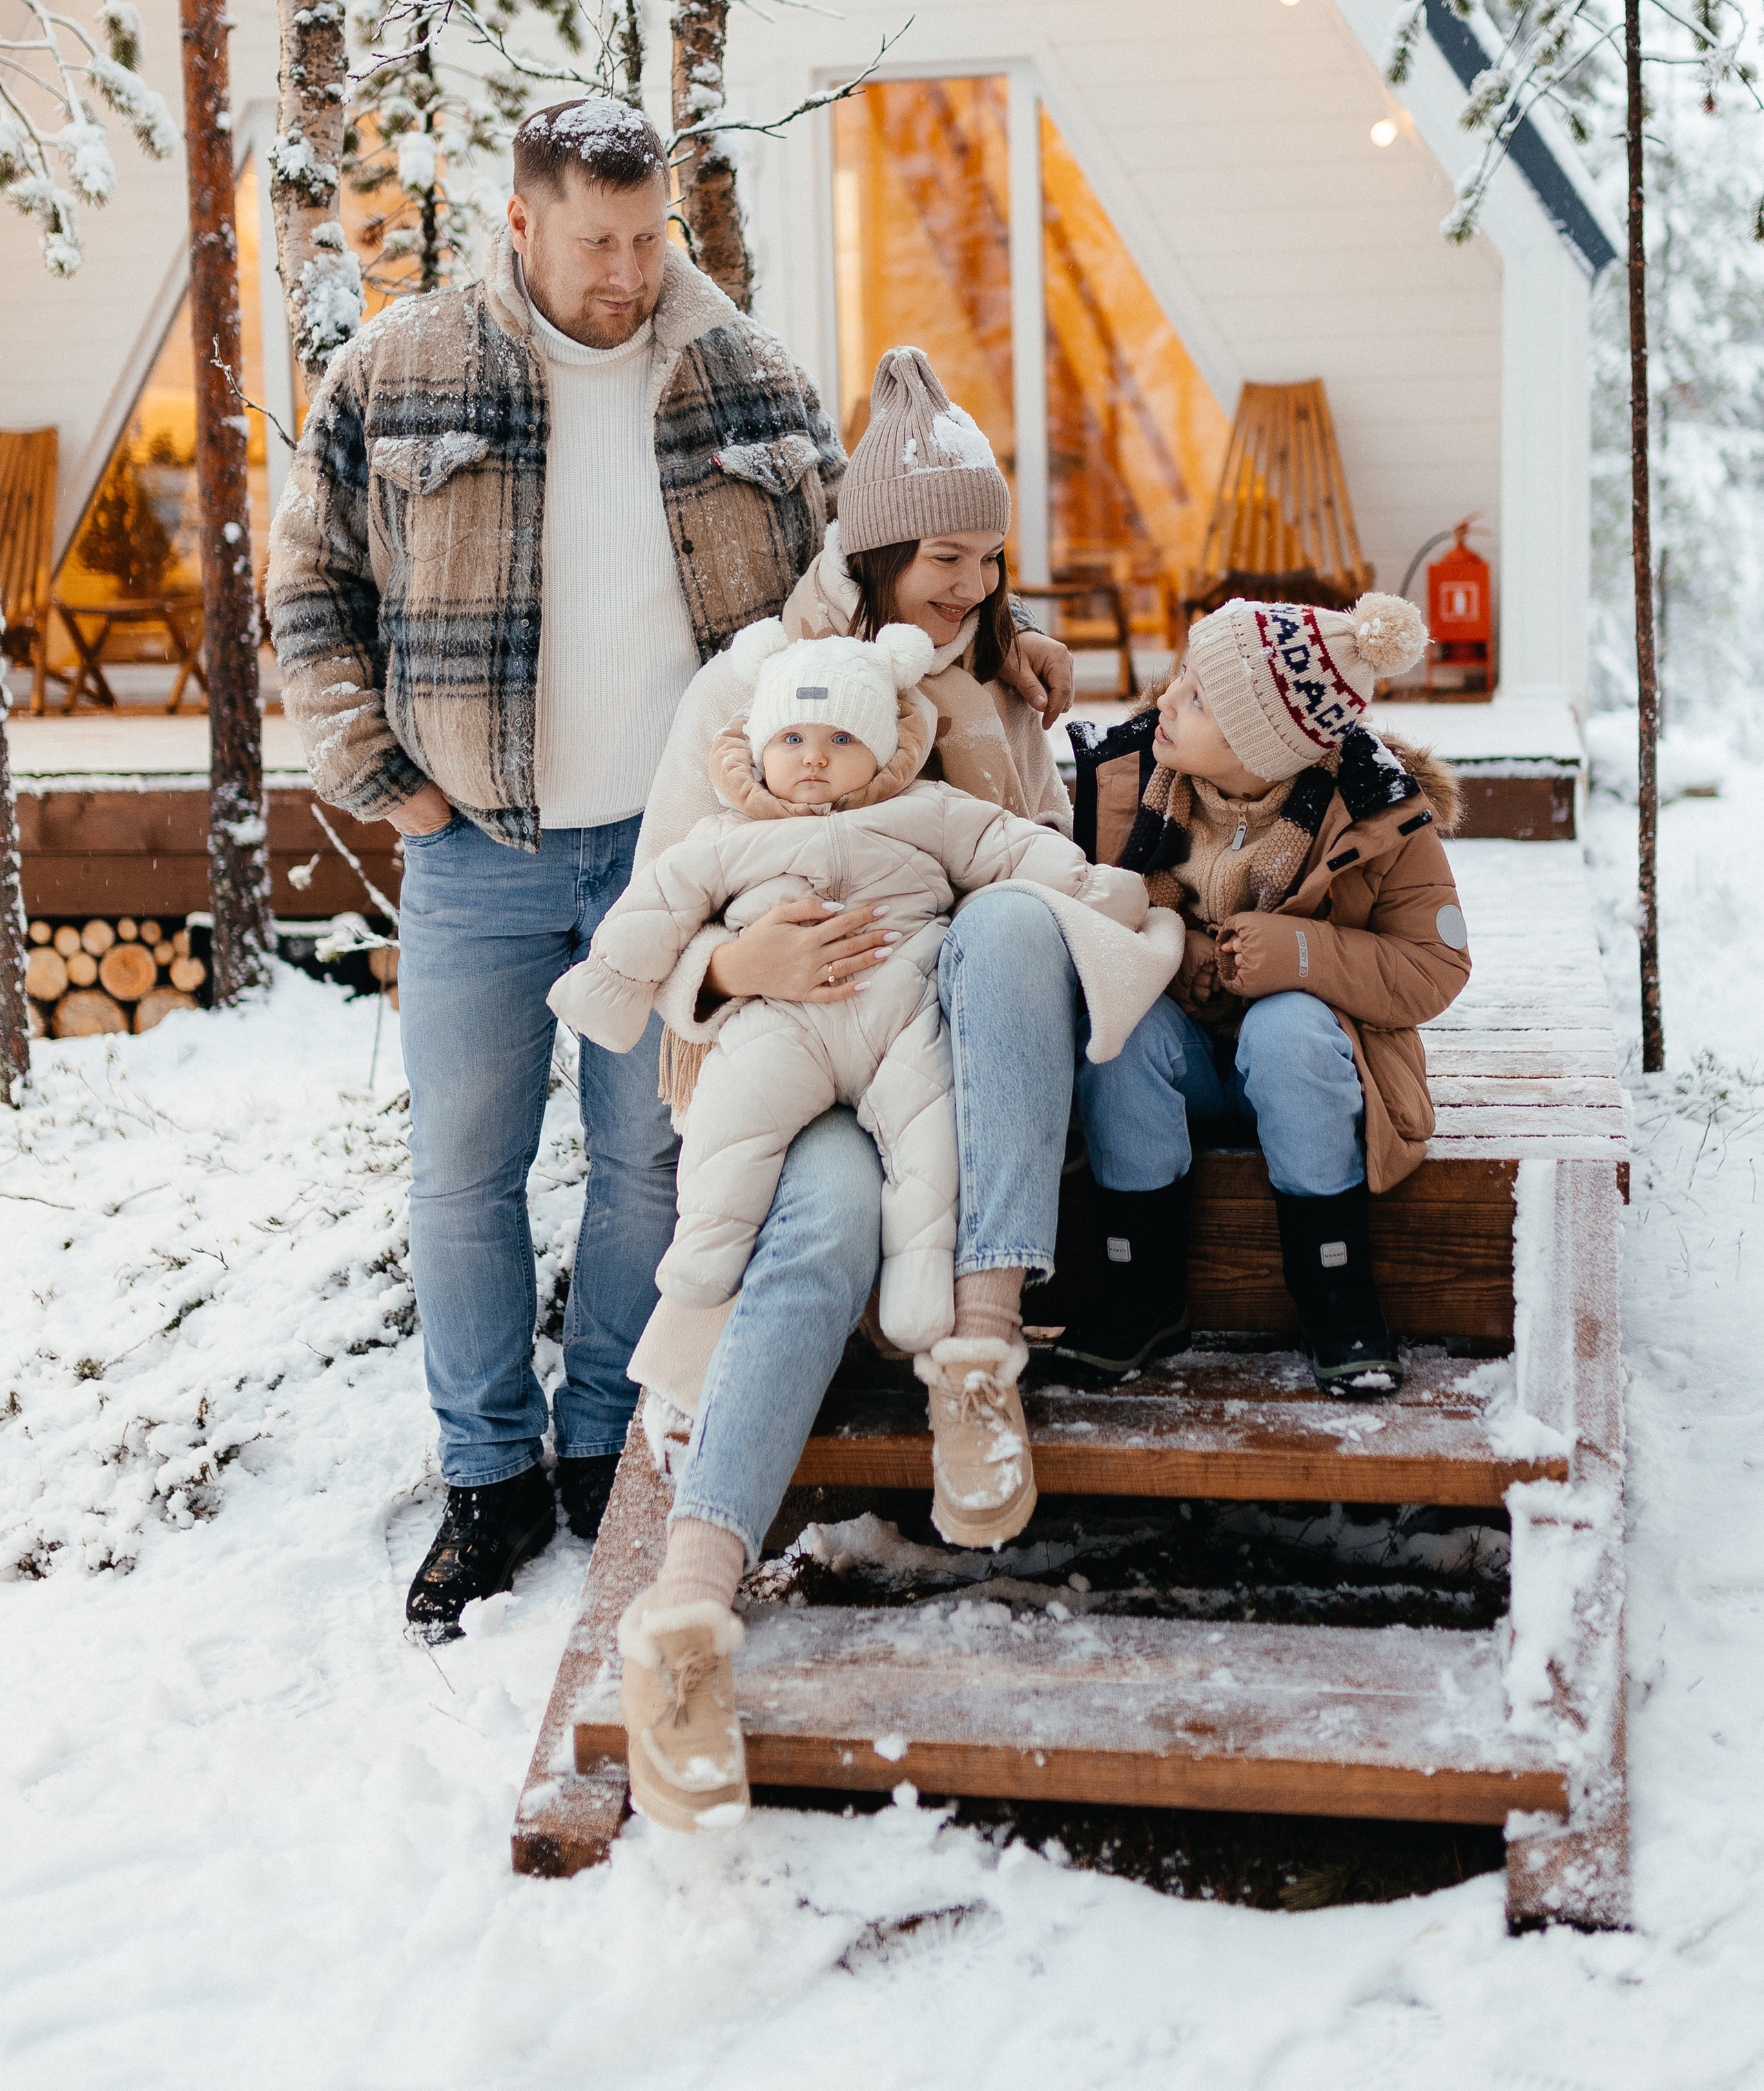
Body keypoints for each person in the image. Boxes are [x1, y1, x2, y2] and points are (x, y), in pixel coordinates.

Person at [265, 110, 1071, 1642]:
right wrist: (388, 785)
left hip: (695, 854)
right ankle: (486, 1473)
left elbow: (870, 555)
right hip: (481, 851)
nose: (628, 271)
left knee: (655, 1161)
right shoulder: (398, 372)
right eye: (596, 242)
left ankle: (595, 1445)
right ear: (521, 223)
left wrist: (999, 624)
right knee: (464, 1170)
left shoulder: (748, 376)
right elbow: (310, 580)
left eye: (649, 240)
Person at [599, 347, 1160, 1835]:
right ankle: (684, 1622)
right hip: (788, 1062)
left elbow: (1023, 886)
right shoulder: (754, 682)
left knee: (1011, 917)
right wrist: (731, 963)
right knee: (821, 1223)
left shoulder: (998, 680)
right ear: (878, 549)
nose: (971, 587)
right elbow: (661, 900)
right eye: (947, 558)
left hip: (947, 1062)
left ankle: (979, 1359)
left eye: (990, 562)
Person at [552, 611, 1167, 1415]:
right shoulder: (726, 834)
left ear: (884, 748)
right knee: (731, 1123)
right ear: (756, 749)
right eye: (793, 740)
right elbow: (658, 903)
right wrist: (611, 981)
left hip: (902, 1021)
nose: (814, 758)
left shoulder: (926, 809)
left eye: (843, 741)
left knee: (931, 1145)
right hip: (782, 1024)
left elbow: (1014, 848)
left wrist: (1090, 889)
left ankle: (921, 1291)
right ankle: (705, 1257)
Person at [1065, 588, 1472, 1392]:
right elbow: (1079, 912)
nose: (1166, 702)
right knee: (1120, 1030)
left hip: (1311, 1072)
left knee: (1287, 1024)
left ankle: (1334, 1288)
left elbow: (1435, 965)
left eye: (1198, 699)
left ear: (1267, 748)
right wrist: (1165, 946)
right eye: (1180, 680)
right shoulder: (1128, 782)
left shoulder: (1376, 811)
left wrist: (1302, 953)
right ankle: (1139, 1287)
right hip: (1178, 1067)